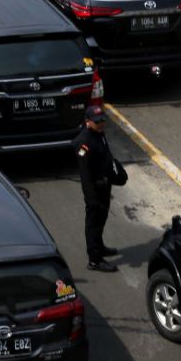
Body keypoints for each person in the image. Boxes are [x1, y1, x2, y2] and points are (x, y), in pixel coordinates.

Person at [74, 105, 120, 272]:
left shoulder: (99, 133)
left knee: (102, 219)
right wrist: (91, 198)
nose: (101, 123)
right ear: (88, 122)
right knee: (94, 223)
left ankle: (99, 247)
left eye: (102, 120)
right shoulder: (83, 143)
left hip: (104, 184)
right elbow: (85, 175)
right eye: (97, 121)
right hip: (94, 189)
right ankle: (94, 260)